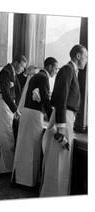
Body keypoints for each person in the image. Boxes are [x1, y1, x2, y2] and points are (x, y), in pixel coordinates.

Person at [40, 45, 88, 197]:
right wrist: (61, 127)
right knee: (58, 160)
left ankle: (57, 195)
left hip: (66, 117)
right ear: (78, 56)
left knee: (61, 160)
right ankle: (53, 196)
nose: (86, 61)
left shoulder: (72, 71)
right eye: (85, 57)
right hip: (64, 118)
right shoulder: (67, 70)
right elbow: (61, 98)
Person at [12, 57, 58, 188]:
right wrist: (51, 117)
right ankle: (27, 182)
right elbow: (44, 98)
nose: (55, 71)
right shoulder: (43, 78)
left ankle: (21, 179)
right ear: (49, 67)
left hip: (28, 113)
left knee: (24, 147)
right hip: (34, 115)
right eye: (55, 68)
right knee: (33, 148)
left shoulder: (37, 76)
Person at [0, 55, 27, 174]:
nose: (22, 70)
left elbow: (16, 87)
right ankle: (8, 169)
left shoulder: (11, 71)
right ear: (16, 63)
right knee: (6, 137)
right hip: (2, 106)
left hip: (5, 106)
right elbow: (6, 93)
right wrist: (15, 110)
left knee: (8, 136)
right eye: (22, 67)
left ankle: (5, 168)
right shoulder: (6, 72)